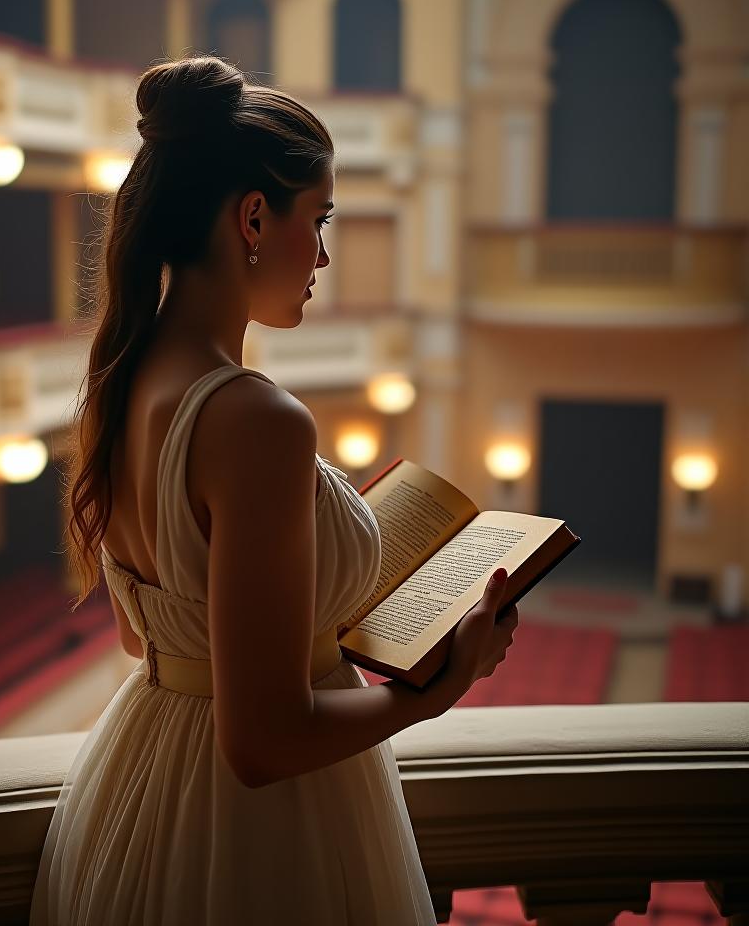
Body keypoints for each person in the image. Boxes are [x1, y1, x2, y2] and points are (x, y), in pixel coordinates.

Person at [29, 54, 519, 925]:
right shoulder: (258, 420)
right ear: (253, 216)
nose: (324, 254)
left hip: (146, 779)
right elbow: (262, 745)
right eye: (318, 219)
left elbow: (152, 644)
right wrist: (441, 686)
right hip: (260, 824)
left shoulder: (126, 378)